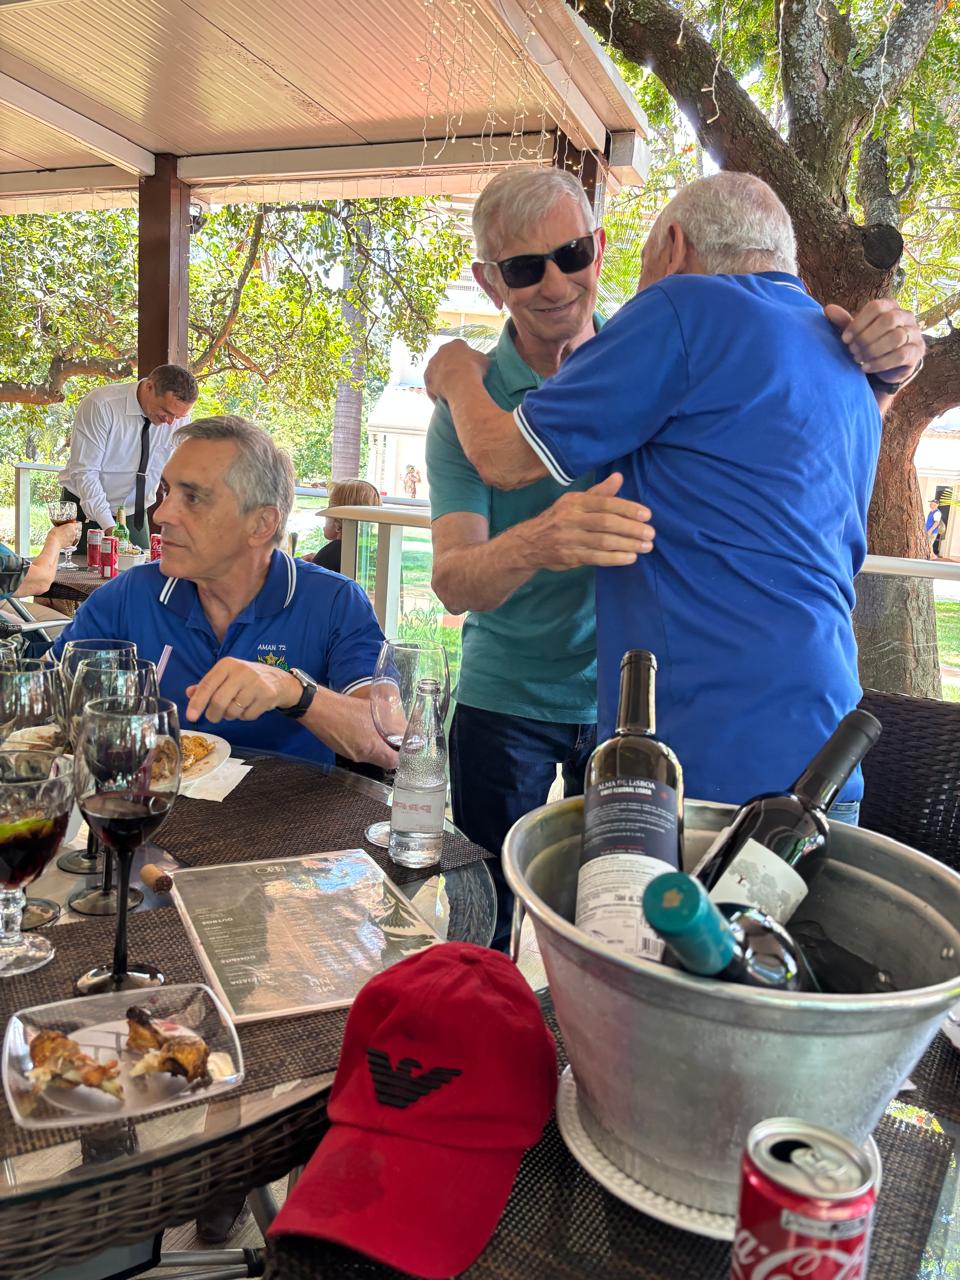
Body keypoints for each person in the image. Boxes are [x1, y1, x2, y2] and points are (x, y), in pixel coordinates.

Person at [425, 171, 927, 826]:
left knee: (617, 899)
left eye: (573, 255)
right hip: (825, 746)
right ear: (493, 282)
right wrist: (888, 371)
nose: (554, 284)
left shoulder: (679, 314)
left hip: (695, 749)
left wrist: (453, 372)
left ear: (672, 248)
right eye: (524, 268)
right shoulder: (841, 361)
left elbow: (501, 456)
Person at [53, 416, 396, 769]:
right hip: (150, 799)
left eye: (193, 497)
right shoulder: (130, 594)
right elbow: (49, 699)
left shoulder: (333, 601)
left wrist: (292, 691)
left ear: (261, 524)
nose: (162, 514)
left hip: (289, 804)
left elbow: (387, 744)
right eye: (167, 492)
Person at [59, 364, 198, 553]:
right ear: (149, 386)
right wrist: (111, 528)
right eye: (166, 411)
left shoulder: (177, 419)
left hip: (134, 514)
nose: (171, 422)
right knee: (81, 571)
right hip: (85, 509)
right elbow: (85, 473)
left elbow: (182, 470)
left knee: (140, 570)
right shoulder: (101, 404)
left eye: (179, 416)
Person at [303, 479, 382, 572]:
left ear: (338, 519)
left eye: (329, 507)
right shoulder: (371, 552)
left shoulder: (331, 554)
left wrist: (306, 567)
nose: (325, 514)